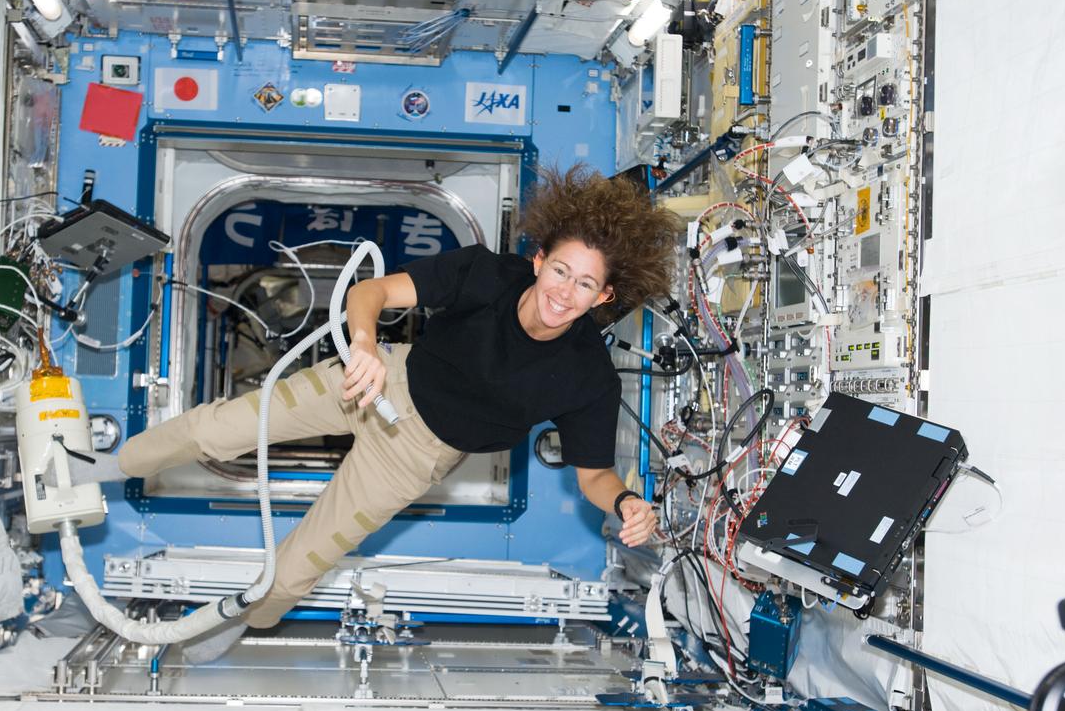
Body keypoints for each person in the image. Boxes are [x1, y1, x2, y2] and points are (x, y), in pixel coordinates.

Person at [71, 165, 681, 654]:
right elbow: (373, 292)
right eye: (561, 271)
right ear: (539, 259)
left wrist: (626, 502)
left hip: (419, 455)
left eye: (584, 285)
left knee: (297, 568)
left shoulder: (589, 378)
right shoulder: (485, 274)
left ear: (603, 296)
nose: (563, 292)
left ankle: (243, 622)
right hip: (378, 378)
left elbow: (593, 475)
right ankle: (106, 468)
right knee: (216, 428)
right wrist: (363, 344)